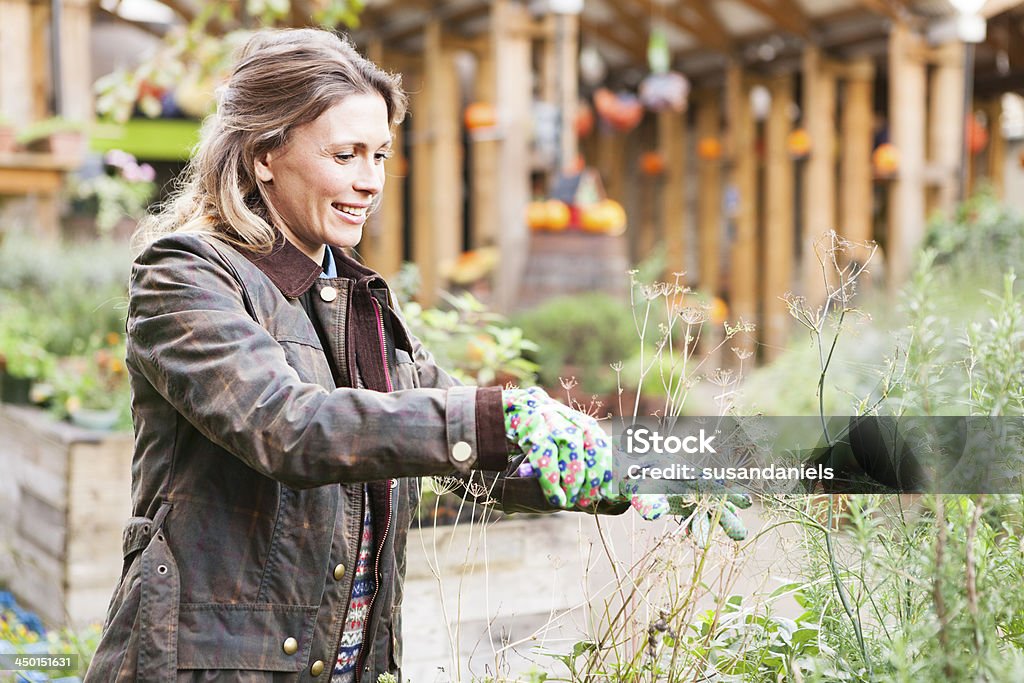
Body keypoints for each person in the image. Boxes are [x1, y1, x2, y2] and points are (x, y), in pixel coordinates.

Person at [84, 28, 746, 683]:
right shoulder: (186, 274)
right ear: (264, 153)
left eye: (380, 155)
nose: (370, 181)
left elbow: (467, 451)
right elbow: (286, 426)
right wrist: (498, 417)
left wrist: (629, 466)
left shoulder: (356, 300)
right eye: (345, 155)